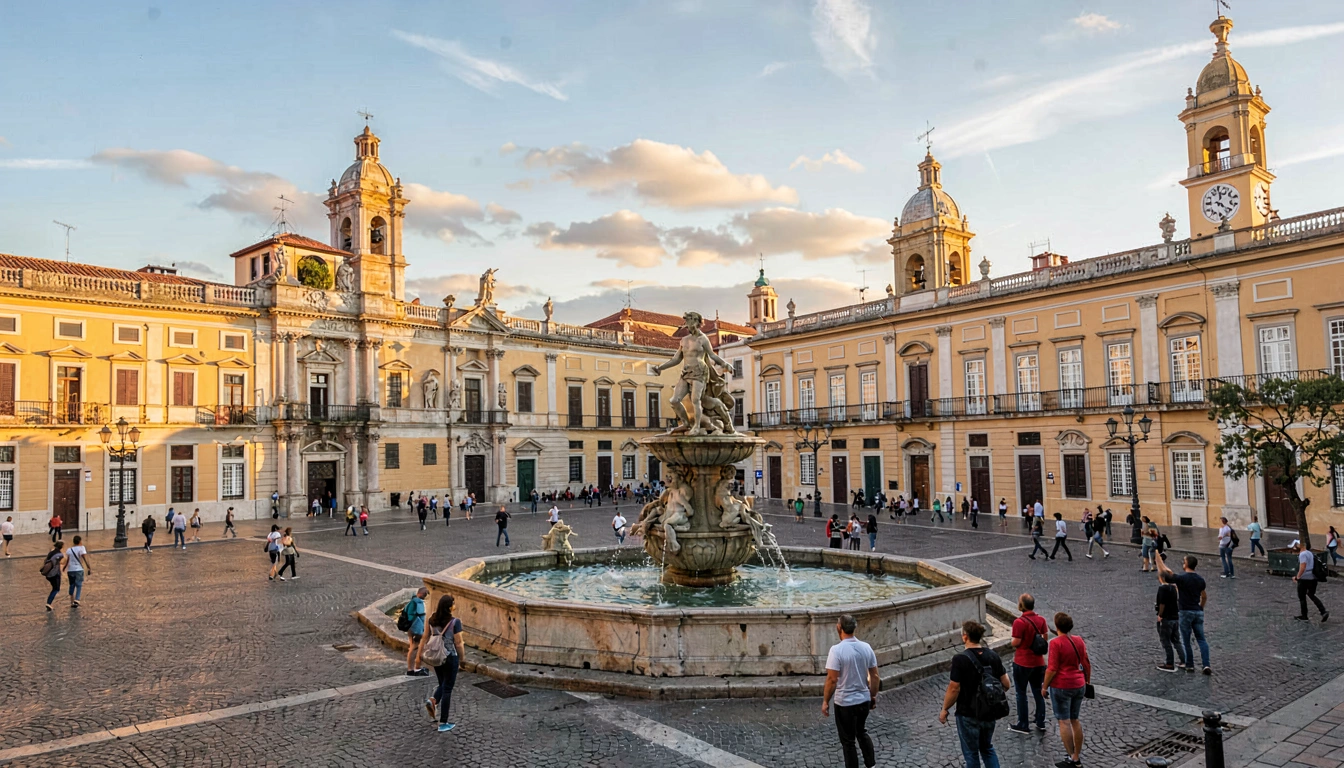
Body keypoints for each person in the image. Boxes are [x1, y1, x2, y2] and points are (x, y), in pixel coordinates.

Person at [941, 620, 1011, 768]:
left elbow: (954, 688)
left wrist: (945, 709)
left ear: (965, 637)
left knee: (971, 753)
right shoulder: (993, 656)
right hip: (989, 712)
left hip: (968, 713)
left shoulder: (960, 659)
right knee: (987, 748)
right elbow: (1006, 684)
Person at [822, 614, 879, 768]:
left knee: (848, 742)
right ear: (854, 628)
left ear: (839, 628)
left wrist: (826, 701)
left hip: (844, 702)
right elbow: (874, 676)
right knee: (861, 732)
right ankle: (871, 765)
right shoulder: (866, 647)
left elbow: (832, 680)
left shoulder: (836, 650)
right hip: (863, 700)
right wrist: (872, 696)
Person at [1043, 612, 1091, 768]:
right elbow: (1086, 661)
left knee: (1064, 721)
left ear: (1057, 626)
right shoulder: (1078, 640)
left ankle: (1071, 757)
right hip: (1079, 684)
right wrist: (1087, 680)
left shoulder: (1056, 643)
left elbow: (1052, 669)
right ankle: (1076, 756)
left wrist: (1044, 686)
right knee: (1075, 720)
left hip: (1062, 686)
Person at [1157, 553, 1211, 674]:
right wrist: (1200, 608)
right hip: (1197, 612)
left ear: (1186, 564)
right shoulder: (1200, 580)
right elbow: (1204, 596)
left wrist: (1159, 561)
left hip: (1185, 611)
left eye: (1183, 561)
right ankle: (1206, 664)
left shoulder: (1182, 578)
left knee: (1186, 640)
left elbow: (1166, 575)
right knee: (1201, 639)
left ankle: (1190, 665)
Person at [424, 594, 466, 732]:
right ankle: (443, 722)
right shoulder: (455, 622)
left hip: (437, 657)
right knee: (447, 688)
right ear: (449, 607)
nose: (455, 605)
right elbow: (458, 643)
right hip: (450, 657)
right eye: (453, 603)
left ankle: (433, 700)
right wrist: (462, 659)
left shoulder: (432, 619)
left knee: (442, 683)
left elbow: (427, 635)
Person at [1008, 593, 1048, 734]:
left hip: (1022, 662)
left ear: (1021, 606)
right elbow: (1044, 638)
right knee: (1038, 691)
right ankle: (1040, 721)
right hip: (1038, 662)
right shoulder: (1041, 620)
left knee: (1021, 693)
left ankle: (1023, 724)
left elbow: (1016, 642)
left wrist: (1011, 642)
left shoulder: (1019, 622)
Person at [1155, 569, 1186, 671]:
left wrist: (1160, 615)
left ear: (1161, 578)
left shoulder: (1162, 589)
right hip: (1175, 617)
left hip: (1166, 618)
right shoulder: (1173, 588)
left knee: (1166, 641)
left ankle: (1169, 663)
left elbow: (1162, 603)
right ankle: (1183, 660)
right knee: (1176, 640)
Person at [1292, 540, 1329, 622]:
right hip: (1313, 578)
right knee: (1311, 594)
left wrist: (1297, 577)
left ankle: (1304, 615)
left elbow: (1303, 567)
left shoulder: (1303, 554)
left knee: (1302, 597)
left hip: (1304, 578)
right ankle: (1323, 611)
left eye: (1295, 546)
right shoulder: (1310, 553)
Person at [404, 586, 430, 676]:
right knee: (415, 648)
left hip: (410, 627)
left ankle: (411, 668)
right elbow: (422, 616)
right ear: (425, 595)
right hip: (417, 628)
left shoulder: (412, 602)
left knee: (412, 647)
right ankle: (413, 669)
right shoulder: (420, 603)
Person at [63, 534, 90, 607]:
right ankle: (77, 599)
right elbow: (84, 558)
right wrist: (88, 566)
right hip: (78, 569)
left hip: (70, 570)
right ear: (80, 541)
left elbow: (68, 560)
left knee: (72, 584)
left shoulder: (69, 550)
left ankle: (72, 600)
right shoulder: (81, 548)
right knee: (79, 585)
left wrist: (64, 567)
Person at [42, 540, 65, 611]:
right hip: (55, 574)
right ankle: (49, 602)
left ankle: (49, 602)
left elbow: (45, 561)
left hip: (48, 574)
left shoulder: (51, 553)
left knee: (54, 587)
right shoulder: (60, 555)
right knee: (56, 588)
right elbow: (63, 562)